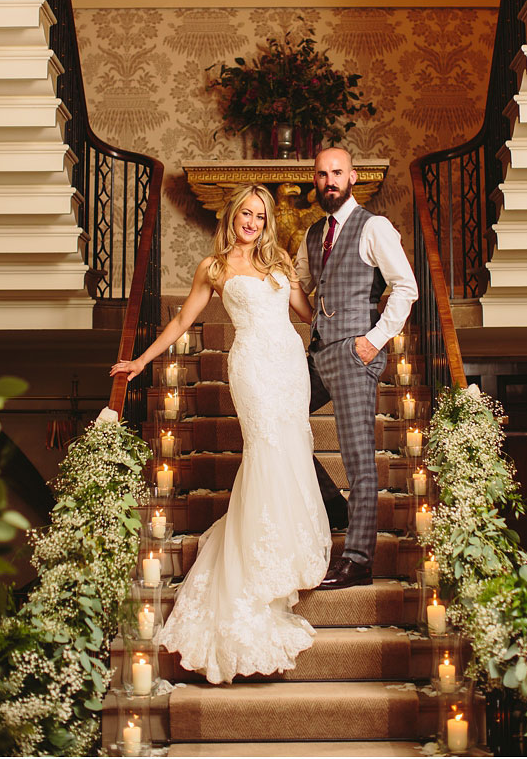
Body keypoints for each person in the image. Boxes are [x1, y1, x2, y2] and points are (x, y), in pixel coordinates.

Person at [110, 184, 328, 683]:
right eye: (245, 214)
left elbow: (309, 316)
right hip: (252, 367)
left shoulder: (280, 263)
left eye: (260, 215)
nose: (252, 222)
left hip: (290, 366)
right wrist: (142, 361)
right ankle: (259, 563)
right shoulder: (214, 267)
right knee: (266, 450)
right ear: (232, 217)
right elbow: (184, 319)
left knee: (293, 448)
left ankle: (288, 548)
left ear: (267, 221)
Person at [298, 146, 418, 590]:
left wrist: (373, 341)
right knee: (278, 422)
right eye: (321, 174)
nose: (329, 180)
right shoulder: (313, 233)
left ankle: (358, 558)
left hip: (354, 353)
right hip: (318, 353)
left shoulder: (374, 227)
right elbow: (298, 284)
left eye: (336, 173)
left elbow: (406, 287)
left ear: (353, 177)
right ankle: (335, 507)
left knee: (358, 461)